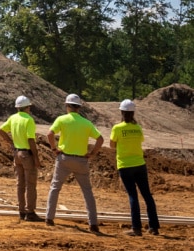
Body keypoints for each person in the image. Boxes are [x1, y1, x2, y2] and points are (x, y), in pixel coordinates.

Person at [45, 93, 103, 232]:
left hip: (64, 158)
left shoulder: (62, 120)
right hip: (81, 161)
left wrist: (54, 148)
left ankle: (49, 218)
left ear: (67, 106)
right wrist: (93, 153)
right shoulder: (86, 123)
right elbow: (100, 139)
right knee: (87, 191)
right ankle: (93, 223)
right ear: (79, 108)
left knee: (55, 188)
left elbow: (50, 134)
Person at [110, 99, 160, 236]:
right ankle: (154, 227)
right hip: (139, 164)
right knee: (147, 195)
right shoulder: (138, 128)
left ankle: (136, 228)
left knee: (133, 195)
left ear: (122, 112)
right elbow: (141, 140)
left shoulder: (117, 128)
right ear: (133, 113)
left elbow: (112, 145)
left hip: (125, 165)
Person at [0, 95, 42, 221]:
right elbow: (30, 140)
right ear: (27, 107)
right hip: (26, 154)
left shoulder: (13, 118)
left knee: (20, 184)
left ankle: (21, 211)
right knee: (30, 184)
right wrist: (36, 157)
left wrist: (11, 142)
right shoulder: (28, 120)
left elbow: (0, 130)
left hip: (17, 154)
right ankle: (30, 213)